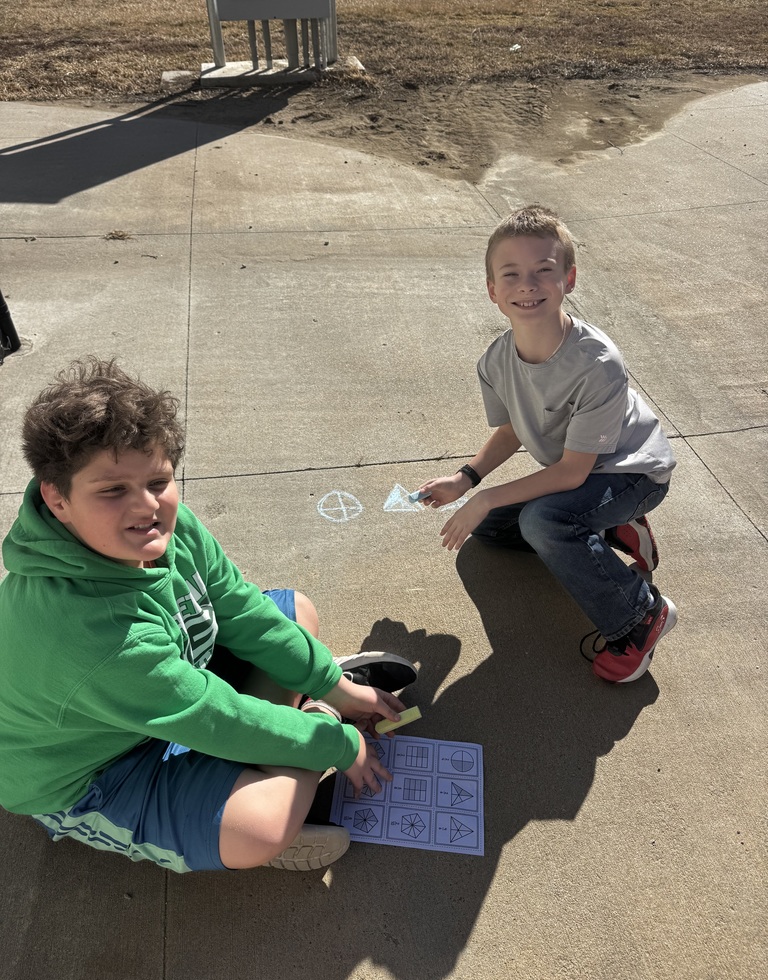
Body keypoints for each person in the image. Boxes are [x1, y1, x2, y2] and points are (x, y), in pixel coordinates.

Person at [0, 357, 417, 873]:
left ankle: (302, 716)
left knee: (293, 613)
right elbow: (213, 718)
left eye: (157, 480)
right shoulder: (94, 634)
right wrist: (336, 738)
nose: (145, 506)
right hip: (94, 772)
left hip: (160, 697)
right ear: (56, 498)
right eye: (112, 490)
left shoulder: (163, 525)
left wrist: (336, 683)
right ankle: (284, 762)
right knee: (264, 827)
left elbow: (242, 609)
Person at [416, 204, 677, 684]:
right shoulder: (496, 360)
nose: (527, 284)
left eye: (543, 270)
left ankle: (639, 616)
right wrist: (465, 480)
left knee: (544, 521)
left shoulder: (597, 362)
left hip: (632, 473)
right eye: (510, 273)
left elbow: (572, 474)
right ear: (492, 291)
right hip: (582, 472)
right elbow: (515, 427)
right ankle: (611, 529)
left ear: (569, 279)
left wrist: (487, 495)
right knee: (493, 529)